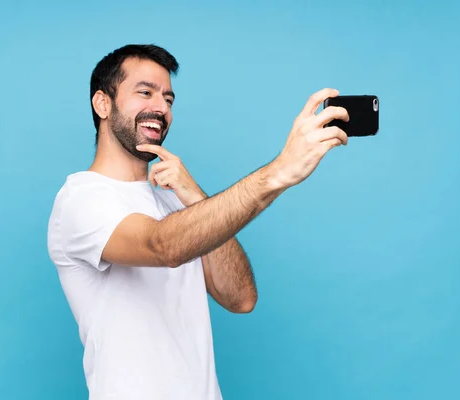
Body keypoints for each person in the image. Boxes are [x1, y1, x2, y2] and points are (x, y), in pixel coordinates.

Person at [47, 44, 349, 400]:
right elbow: (162, 246)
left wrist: (194, 196)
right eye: (145, 92)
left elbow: (240, 298)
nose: (160, 107)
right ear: (103, 104)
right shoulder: (82, 198)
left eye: (168, 99)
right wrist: (278, 172)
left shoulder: (174, 200)